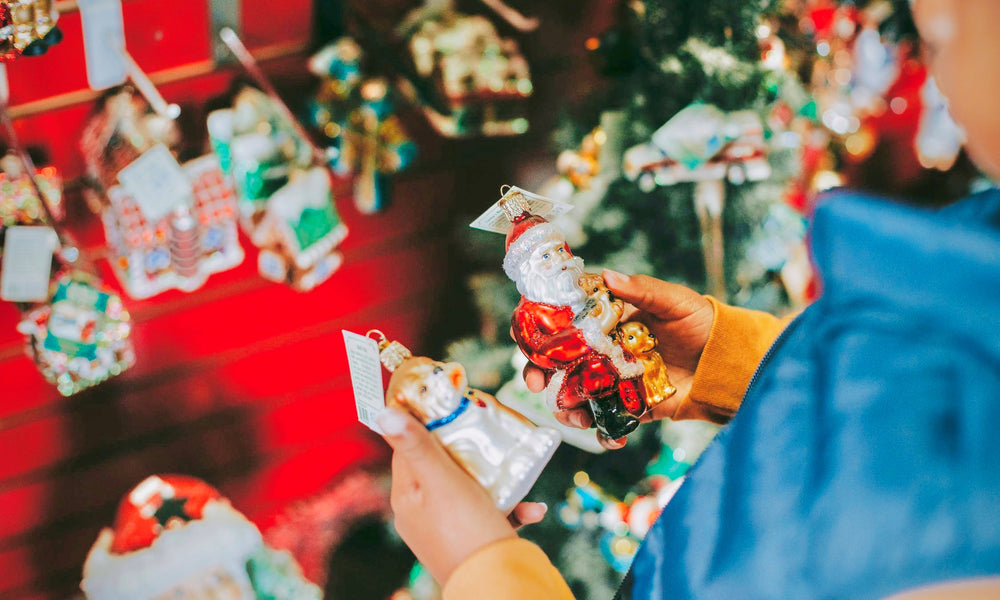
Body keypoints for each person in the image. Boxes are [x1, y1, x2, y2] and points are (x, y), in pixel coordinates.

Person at [376, 1, 1000, 598]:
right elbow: (868, 423)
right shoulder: (958, 273)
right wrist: (733, 361)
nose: (928, 19)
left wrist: (484, 567)